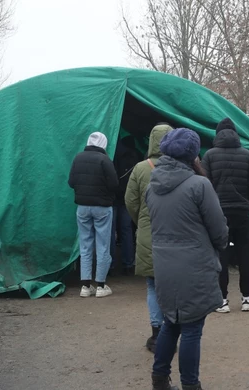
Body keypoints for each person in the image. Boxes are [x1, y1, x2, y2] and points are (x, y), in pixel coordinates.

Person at [146, 128, 228, 390]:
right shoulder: (199, 185)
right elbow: (218, 230)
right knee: (192, 329)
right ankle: (190, 385)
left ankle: (159, 378)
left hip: (164, 266)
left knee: (171, 322)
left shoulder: (152, 185)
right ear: (193, 155)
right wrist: (221, 245)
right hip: (194, 266)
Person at [201, 117, 249, 313]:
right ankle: (246, 298)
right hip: (242, 211)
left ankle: (222, 300)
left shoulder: (209, 156)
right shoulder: (247, 155)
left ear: (217, 134)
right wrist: (246, 200)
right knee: (244, 255)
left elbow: (205, 185)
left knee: (221, 255)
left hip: (218, 213)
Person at [125, 123, 173, 353]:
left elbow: (130, 201)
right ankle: (173, 332)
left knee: (153, 286)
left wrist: (141, 221)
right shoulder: (181, 167)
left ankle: (156, 335)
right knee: (173, 285)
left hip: (148, 233)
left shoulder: (140, 168)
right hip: (175, 234)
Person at [68, 132, 119, 298]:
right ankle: (101, 286)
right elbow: (114, 184)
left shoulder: (78, 158)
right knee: (103, 245)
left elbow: (71, 182)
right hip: (102, 208)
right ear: (103, 144)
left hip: (82, 207)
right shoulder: (105, 160)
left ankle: (85, 286)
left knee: (85, 245)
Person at [111, 135, 140, 275]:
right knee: (126, 230)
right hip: (127, 197)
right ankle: (128, 264)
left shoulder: (109, 153)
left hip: (111, 198)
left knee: (109, 233)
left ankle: (110, 265)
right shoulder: (132, 154)